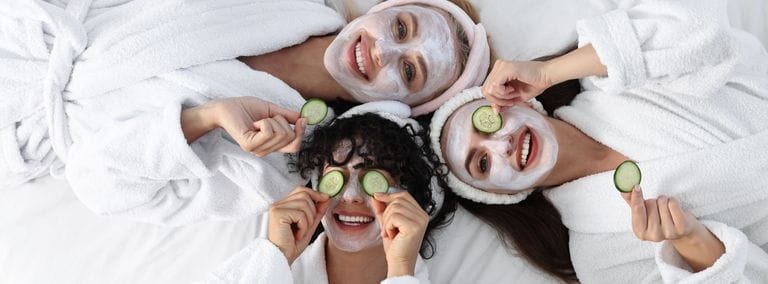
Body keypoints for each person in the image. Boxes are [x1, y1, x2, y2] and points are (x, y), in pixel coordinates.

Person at [0, 0, 490, 225]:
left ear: (399, 106)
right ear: (384, 7)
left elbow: (99, 187)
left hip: (23, 130)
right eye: (400, 27)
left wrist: (205, 118)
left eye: (409, 72)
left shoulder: (288, 162)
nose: (380, 50)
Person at [430, 1, 768, 282]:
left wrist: (550, 72)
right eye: (483, 163)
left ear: (518, 100)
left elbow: (703, 28)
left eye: (487, 123)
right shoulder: (599, 257)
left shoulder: (607, 73)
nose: (500, 144)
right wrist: (691, 241)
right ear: (503, 197)